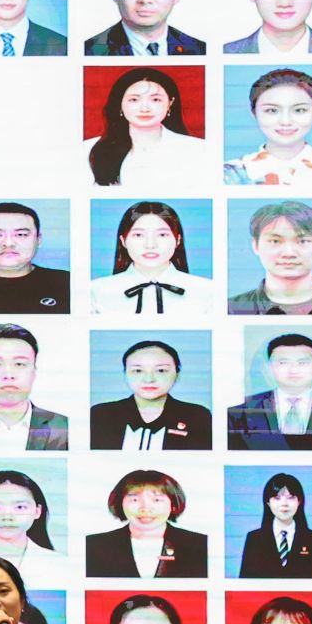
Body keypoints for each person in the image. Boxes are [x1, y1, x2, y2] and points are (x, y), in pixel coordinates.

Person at [84, 69, 212, 188]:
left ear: (170, 103)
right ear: (120, 104)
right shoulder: (86, 150)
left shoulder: (200, 150)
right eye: (134, 100)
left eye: (155, 99)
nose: (144, 108)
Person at [226, 332, 312, 451]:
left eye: (302, 362)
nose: (293, 370)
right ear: (270, 367)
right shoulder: (239, 414)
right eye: (283, 362)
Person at [224, 69, 312, 186]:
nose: (285, 121)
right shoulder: (226, 175)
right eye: (272, 110)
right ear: (254, 113)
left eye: (299, 110)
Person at [88, 202, 216, 316]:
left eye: (162, 235)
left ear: (178, 240)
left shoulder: (208, 291)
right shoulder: (95, 292)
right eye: (138, 235)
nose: (150, 245)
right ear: (123, 241)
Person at [88, 339, 212, 452]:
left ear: (177, 374)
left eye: (161, 370)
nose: (149, 379)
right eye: (138, 370)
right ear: (125, 374)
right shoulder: (100, 415)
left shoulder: (197, 416)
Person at [229, 200, 312, 314]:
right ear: (255, 245)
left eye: (303, 241)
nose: (289, 253)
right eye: (275, 241)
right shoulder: (231, 309)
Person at [84, 470, 207, 579]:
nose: (145, 508)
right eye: (135, 500)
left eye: (157, 500)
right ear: (120, 503)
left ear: (173, 504)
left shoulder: (199, 544)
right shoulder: (93, 545)